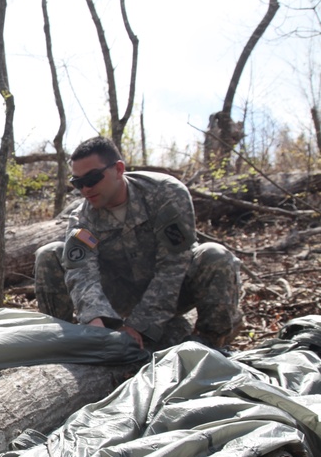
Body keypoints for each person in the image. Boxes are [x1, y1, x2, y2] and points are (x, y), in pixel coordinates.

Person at [34, 136, 242, 351]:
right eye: (77, 183)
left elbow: (173, 266)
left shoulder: (165, 193)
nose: (85, 189)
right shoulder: (83, 217)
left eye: (93, 178)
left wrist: (138, 325)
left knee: (216, 255)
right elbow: (82, 272)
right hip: (119, 294)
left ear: (119, 169)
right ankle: (63, 342)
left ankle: (210, 344)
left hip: (176, 291)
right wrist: (96, 321)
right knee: (49, 253)